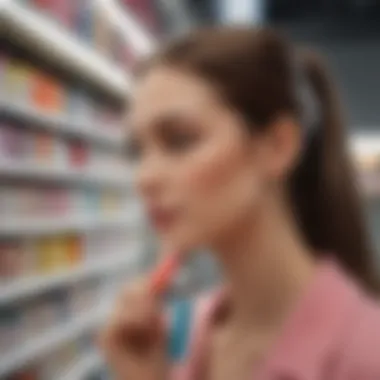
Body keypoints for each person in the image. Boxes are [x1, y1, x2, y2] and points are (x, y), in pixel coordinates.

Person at [100, 26, 380, 380]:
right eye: (137, 151)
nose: (144, 178)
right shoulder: (194, 331)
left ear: (278, 146)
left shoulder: (365, 355)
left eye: (180, 140)